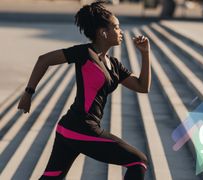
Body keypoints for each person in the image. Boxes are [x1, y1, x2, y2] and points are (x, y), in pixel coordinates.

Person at [17, 1, 151, 180]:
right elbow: (44, 60)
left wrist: (145, 54)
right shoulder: (84, 54)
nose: (121, 32)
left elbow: (142, 87)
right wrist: (28, 93)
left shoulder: (115, 65)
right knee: (138, 161)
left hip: (70, 128)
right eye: (117, 28)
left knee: (51, 177)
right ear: (103, 33)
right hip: (80, 128)